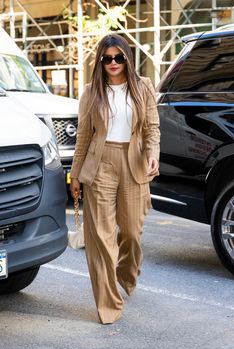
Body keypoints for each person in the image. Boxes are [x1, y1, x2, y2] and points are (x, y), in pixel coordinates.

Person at [70, 34, 160, 324]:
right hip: (100, 165)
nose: (113, 63)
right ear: (100, 60)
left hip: (133, 162)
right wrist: (75, 174)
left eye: (118, 57)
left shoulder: (142, 87)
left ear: (127, 58)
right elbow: (83, 135)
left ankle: (126, 272)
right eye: (107, 58)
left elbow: (152, 128)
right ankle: (108, 304)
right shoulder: (91, 92)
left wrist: (152, 153)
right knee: (101, 238)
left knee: (132, 232)